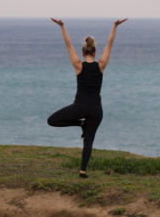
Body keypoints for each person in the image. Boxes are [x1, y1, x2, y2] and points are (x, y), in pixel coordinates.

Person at [47, 18, 128, 178]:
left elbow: (68, 45)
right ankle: (82, 171)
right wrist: (114, 26)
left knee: (52, 120)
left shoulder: (78, 65)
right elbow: (109, 44)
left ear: (83, 52)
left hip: (80, 107)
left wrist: (62, 26)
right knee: (89, 141)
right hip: (97, 110)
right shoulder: (101, 65)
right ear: (95, 53)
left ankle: (80, 123)